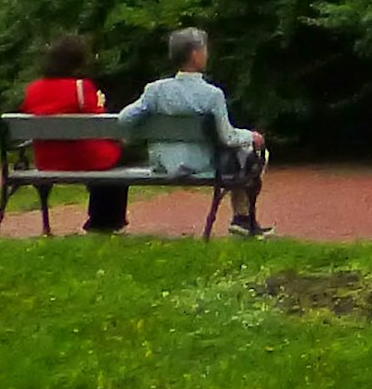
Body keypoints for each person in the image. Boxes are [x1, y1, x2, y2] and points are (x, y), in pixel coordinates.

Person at [107, 27, 267, 237]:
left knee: (242, 153)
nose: (207, 54)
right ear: (194, 54)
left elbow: (125, 118)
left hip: (162, 164)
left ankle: (243, 220)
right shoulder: (212, 94)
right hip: (200, 164)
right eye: (204, 50)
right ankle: (243, 218)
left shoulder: (155, 90)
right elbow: (227, 136)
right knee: (252, 152)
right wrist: (251, 136)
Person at [20, 36, 127, 236]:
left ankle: (102, 220)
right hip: (82, 157)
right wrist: (101, 104)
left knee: (110, 158)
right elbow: (100, 125)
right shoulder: (81, 87)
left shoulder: (33, 89)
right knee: (119, 157)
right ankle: (105, 220)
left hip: (48, 160)